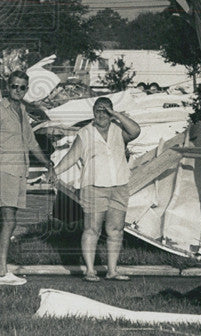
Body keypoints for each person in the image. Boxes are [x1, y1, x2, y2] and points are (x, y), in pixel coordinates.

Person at [0, 70, 57, 286]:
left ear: (26, 89)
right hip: (5, 170)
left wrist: (48, 164)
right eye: (14, 86)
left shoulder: (23, 111)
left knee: (10, 221)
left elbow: (32, 143)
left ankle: (3, 270)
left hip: (19, 171)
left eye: (22, 87)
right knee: (8, 221)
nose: (17, 90)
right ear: (8, 87)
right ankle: (2, 272)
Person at [54, 96, 140, 281]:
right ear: (93, 112)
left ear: (111, 112)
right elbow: (71, 156)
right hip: (93, 186)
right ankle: (90, 270)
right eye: (98, 110)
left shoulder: (119, 130)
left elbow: (136, 131)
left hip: (119, 185)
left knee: (115, 230)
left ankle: (112, 270)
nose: (101, 114)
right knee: (92, 229)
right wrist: (54, 173)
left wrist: (116, 115)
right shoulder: (85, 133)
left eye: (105, 110)